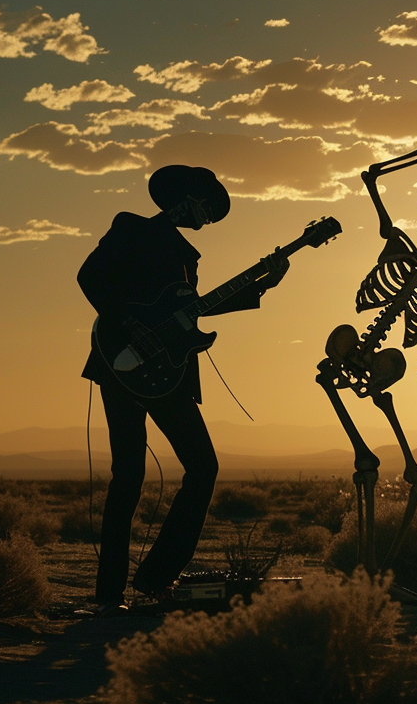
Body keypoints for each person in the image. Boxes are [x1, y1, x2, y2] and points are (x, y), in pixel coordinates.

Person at [78, 165, 289, 615]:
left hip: (169, 371)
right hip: (121, 361)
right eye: (208, 208)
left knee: (201, 468)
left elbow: (194, 311)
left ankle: (155, 578)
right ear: (186, 199)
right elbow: (89, 278)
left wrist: (264, 283)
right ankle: (109, 594)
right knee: (129, 476)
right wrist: (129, 323)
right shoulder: (130, 228)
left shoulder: (186, 256)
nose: (208, 219)